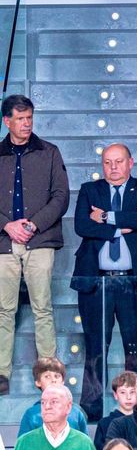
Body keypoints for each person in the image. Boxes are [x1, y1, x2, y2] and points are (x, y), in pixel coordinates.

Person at [70, 143, 137, 422]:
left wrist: (107, 218)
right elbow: (82, 226)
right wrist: (124, 225)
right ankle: (92, 410)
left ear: (131, 162)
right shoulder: (89, 190)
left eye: (119, 161)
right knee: (96, 348)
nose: (113, 167)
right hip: (97, 283)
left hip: (134, 282)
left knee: (136, 348)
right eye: (108, 162)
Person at [0, 95, 67, 392]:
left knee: (42, 306)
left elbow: (61, 196)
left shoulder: (49, 152)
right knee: (4, 310)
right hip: (4, 241)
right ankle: (2, 373)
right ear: (7, 121)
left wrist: (34, 223)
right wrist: (7, 224)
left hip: (39, 240)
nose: (27, 124)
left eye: (29, 118)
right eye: (20, 118)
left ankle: (48, 370)